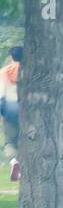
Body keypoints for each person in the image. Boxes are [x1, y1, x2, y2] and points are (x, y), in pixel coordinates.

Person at [0, 46, 20, 181]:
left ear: (11, 57)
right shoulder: (31, 70)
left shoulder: (4, 72)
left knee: (10, 142)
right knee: (28, 139)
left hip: (9, 107)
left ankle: (14, 161)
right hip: (28, 108)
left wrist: (3, 113)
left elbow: (1, 95)